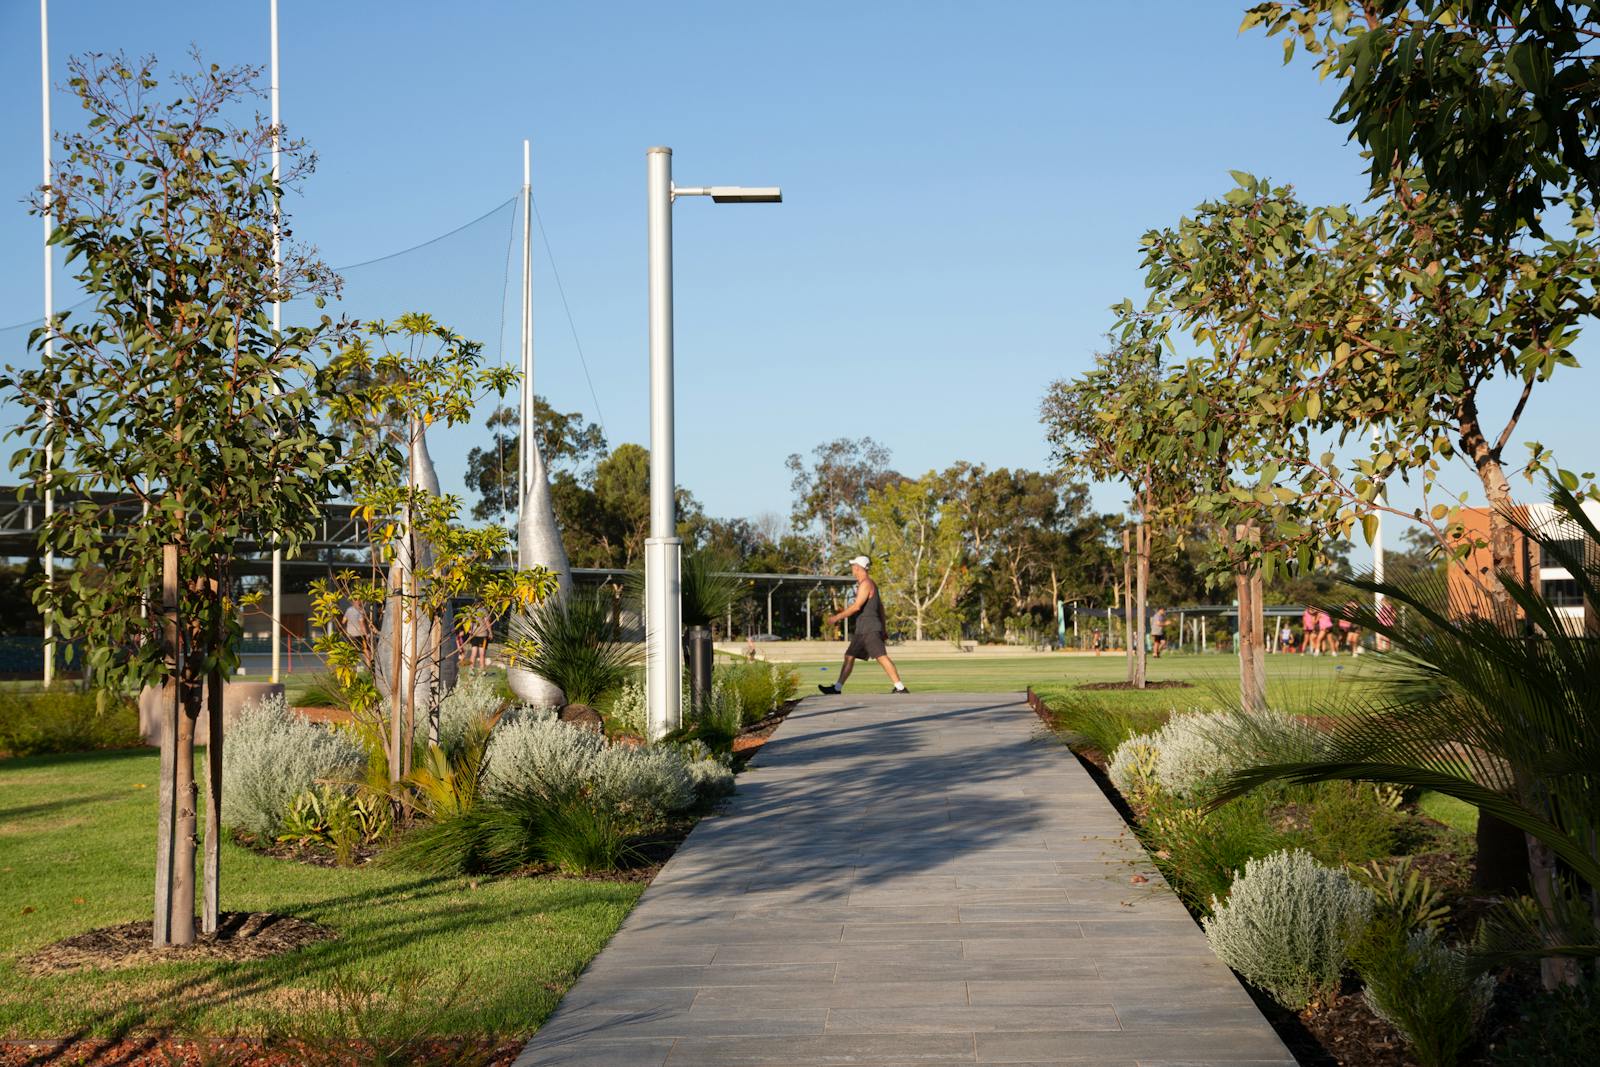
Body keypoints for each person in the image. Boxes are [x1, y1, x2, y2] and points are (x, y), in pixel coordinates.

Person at [817, 555, 908, 695]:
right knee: (849, 656)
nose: (852, 569)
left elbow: (856, 607)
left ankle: (900, 687)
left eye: (853, 566)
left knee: (881, 656)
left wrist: (836, 617)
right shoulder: (867, 584)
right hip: (863, 629)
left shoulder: (866, 584)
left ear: (858, 568)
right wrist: (883, 628)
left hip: (869, 628)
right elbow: (881, 608)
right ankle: (837, 688)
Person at [465, 604, 496, 669]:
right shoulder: (483, 611)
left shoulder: (471, 611)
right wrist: (490, 632)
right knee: (482, 654)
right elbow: (487, 622)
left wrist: (469, 631)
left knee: (474, 653)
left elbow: (465, 622)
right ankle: (482, 670)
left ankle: (471, 669)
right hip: (483, 635)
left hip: (474, 635)